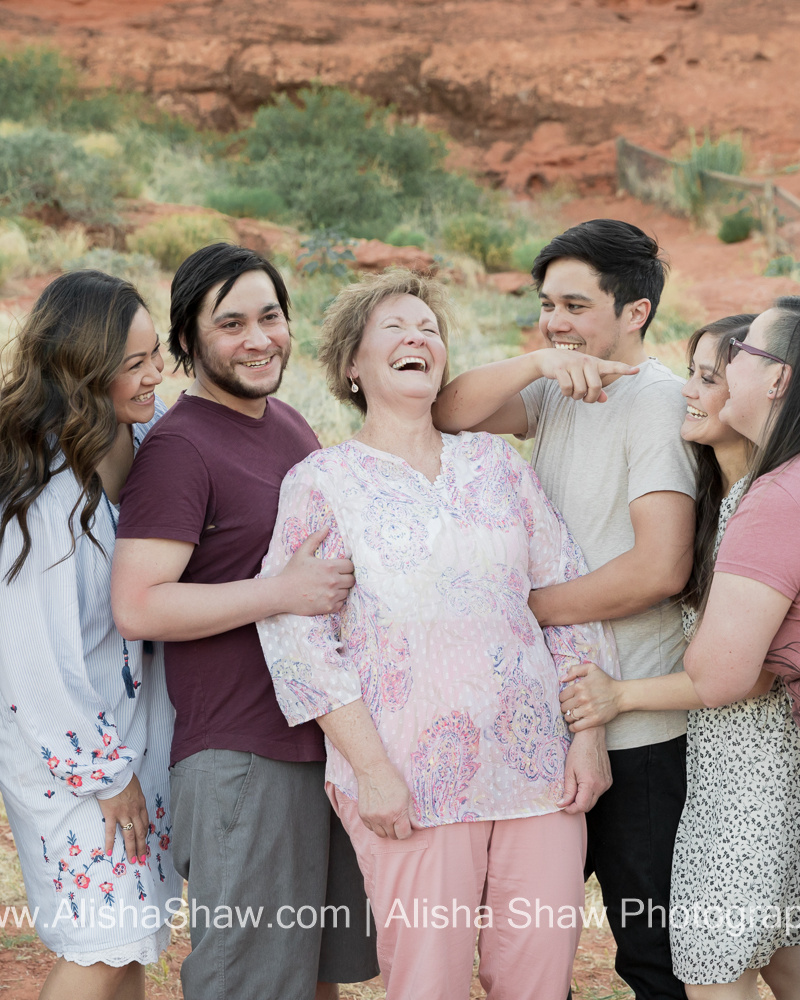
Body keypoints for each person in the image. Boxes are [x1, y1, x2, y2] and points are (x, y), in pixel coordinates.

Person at [255, 269, 620, 1000]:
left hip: (538, 775)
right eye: (393, 327)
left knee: (539, 981)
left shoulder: (497, 465)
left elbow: (565, 601)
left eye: (428, 328)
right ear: (352, 365)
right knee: (430, 985)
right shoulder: (324, 482)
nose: (417, 336)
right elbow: (298, 641)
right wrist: (372, 771)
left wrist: (588, 736)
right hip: (409, 782)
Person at [434, 219, 697, 999]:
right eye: (547, 304)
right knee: (522, 949)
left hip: (640, 734)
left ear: (635, 312)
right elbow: (446, 411)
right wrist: (542, 360)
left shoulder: (656, 403)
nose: (556, 320)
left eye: (575, 306)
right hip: (551, 727)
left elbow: (660, 565)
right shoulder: (555, 388)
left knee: (653, 953)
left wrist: (528, 610)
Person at [110, 243, 378, 1000]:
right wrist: (279, 591)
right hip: (241, 757)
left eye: (271, 316)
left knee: (316, 976)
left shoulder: (289, 424)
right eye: (231, 324)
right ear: (188, 343)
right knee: (250, 985)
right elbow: (138, 605)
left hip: (318, 742)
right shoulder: (179, 449)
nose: (259, 338)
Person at [561, 304, 800, 998]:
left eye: (719, 370)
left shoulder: (767, 501)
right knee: (781, 948)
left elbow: (732, 673)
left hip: (749, 773)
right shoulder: (728, 497)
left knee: (713, 965)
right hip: (736, 759)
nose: (693, 390)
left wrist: (622, 694)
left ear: (775, 381)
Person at [0, 270, 181, 1000]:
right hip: (70, 754)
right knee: (100, 945)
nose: (154, 375)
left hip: (133, 736)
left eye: (156, 353)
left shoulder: (142, 434)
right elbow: (30, 666)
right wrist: (107, 776)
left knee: (128, 939)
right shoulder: (42, 494)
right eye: (132, 364)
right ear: (81, 369)